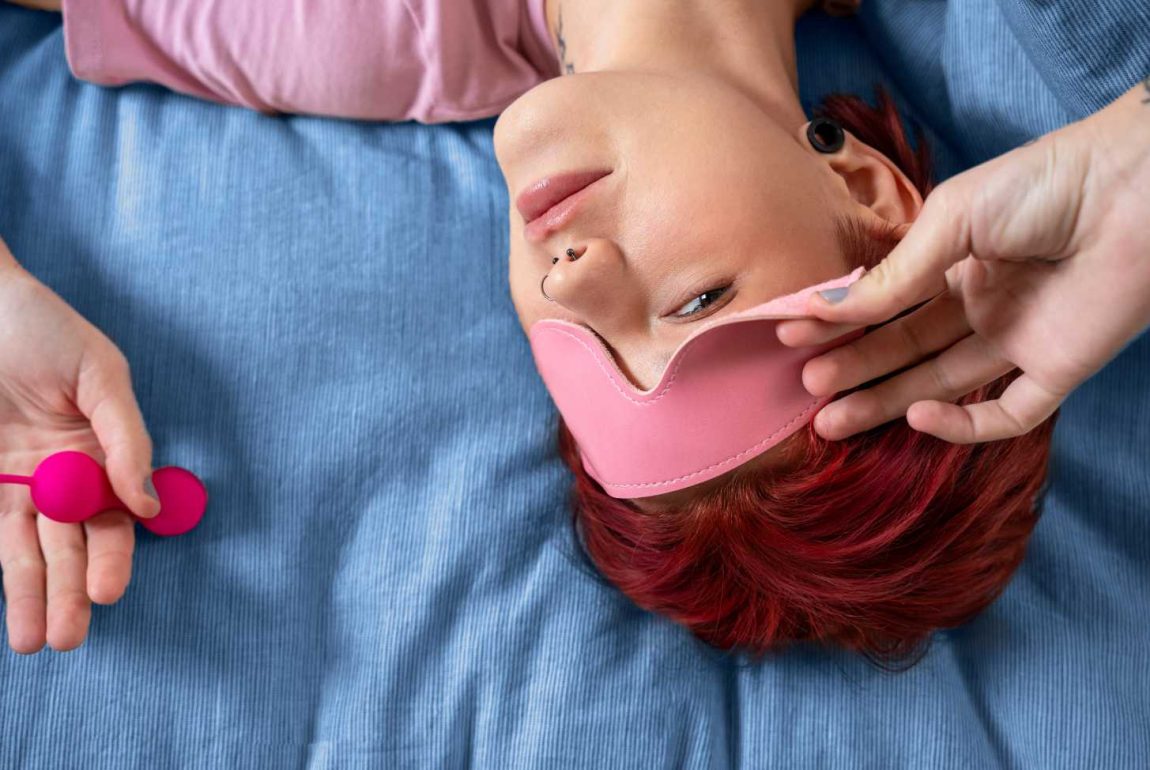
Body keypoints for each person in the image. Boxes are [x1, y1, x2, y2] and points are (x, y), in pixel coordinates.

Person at [0, 0, 1145, 659]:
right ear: (873, 198)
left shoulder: (362, 27)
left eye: (582, 357)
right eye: (696, 304)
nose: (573, 277)